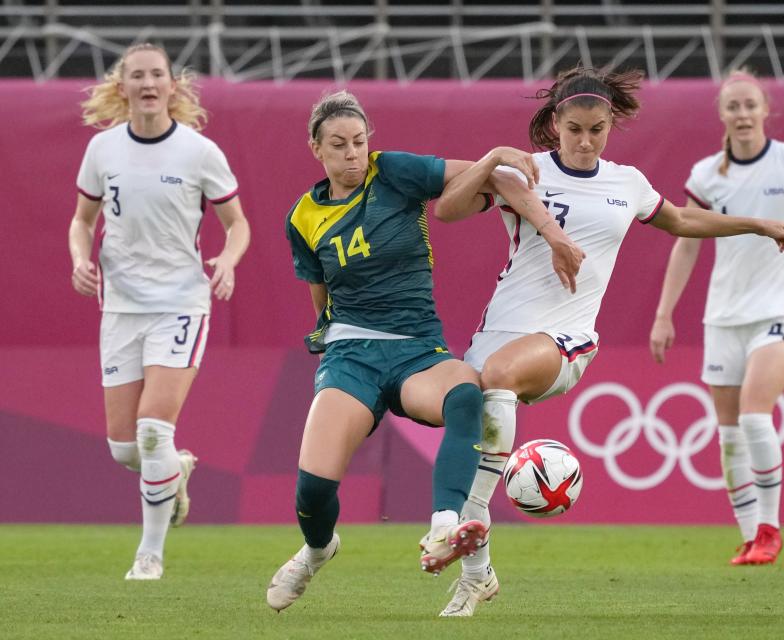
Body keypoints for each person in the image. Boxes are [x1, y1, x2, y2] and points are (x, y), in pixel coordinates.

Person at [430, 66, 784, 617]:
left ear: (610, 126)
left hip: (566, 337)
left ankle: (467, 516)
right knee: (470, 412)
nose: (584, 140)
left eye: (596, 129)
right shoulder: (526, 173)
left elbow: (679, 220)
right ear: (555, 124)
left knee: (500, 379)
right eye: (574, 128)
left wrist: (755, 224)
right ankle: (477, 576)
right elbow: (448, 209)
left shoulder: (626, 183)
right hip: (496, 334)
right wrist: (490, 161)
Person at [265, 90, 584, 613]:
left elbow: (488, 180)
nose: (351, 153)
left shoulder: (390, 171)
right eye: (338, 145)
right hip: (352, 356)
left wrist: (525, 197)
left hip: (417, 349)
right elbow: (318, 287)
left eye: (359, 142)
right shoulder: (301, 217)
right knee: (313, 492)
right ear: (315, 149)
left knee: (466, 390)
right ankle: (318, 550)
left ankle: (444, 525)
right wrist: (324, 329)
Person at [648, 70, 784, 566]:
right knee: (728, 436)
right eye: (733, 107)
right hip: (722, 317)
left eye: (750, 105)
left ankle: (770, 529)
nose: (742, 115)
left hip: (776, 310)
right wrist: (664, 314)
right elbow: (685, 243)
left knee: (753, 414)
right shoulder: (707, 175)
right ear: (722, 115)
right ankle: (749, 537)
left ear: (766, 109)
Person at [68, 43, 251, 580]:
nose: (148, 84)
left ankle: (149, 554)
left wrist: (229, 261)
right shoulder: (103, 150)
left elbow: (238, 224)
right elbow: (81, 220)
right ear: (121, 88)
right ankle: (179, 470)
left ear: (174, 86)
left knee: (153, 431)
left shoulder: (199, 152)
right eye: (137, 76)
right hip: (121, 309)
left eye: (157, 75)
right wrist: (80, 258)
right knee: (127, 450)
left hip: (180, 305)